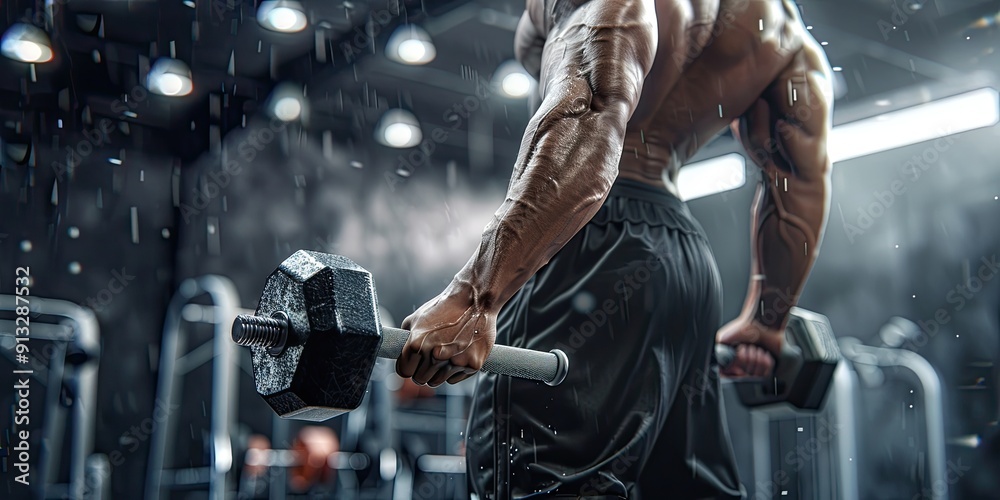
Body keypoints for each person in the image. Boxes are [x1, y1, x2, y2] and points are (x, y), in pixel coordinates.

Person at [395, 0, 833, 498]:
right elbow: (800, 178)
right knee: (686, 488)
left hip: (591, 240)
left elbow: (589, 113)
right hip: (683, 261)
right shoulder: (778, 21)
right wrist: (767, 319)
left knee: (540, 483)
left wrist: (476, 298)